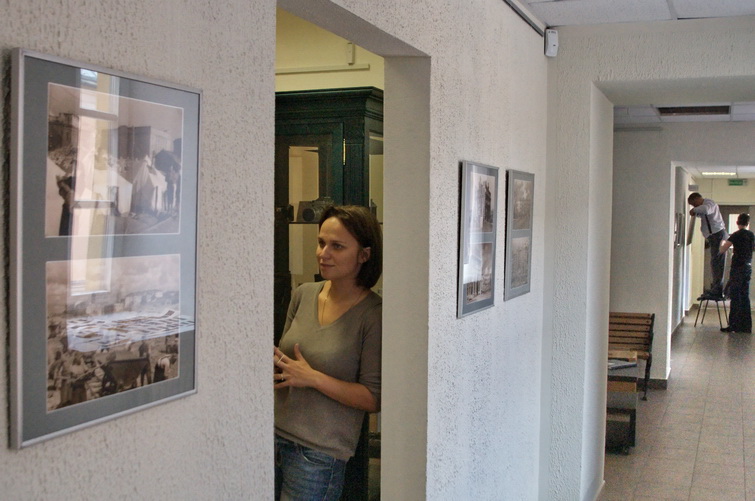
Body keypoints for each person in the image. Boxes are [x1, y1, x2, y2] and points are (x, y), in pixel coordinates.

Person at [273, 205, 382, 501]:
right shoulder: (303, 294)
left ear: (364, 255)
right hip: (272, 435)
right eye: (321, 243)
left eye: (337, 246)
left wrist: (313, 378)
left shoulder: (373, 314)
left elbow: (372, 398)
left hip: (317, 454)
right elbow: (287, 365)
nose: (323, 254)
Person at [688, 192, 728, 299]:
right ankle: (716, 288)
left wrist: (694, 210)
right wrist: (695, 213)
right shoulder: (704, 206)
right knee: (715, 262)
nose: (694, 206)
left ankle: (717, 290)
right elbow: (702, 214)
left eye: (694, 204)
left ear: (697, 199)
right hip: (714, 236)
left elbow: (705, 210)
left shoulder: (709, 203)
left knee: (718, 263)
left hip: (718, 235)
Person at [719, 213, 754, 333]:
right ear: (747, 223)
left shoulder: (735, 235)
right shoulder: (751, 235)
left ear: (737, 222)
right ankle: (746, 326)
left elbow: (723, 249)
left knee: (735, 297)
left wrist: (722, 242)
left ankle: (734, 325)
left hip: (737, 268)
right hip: (747, 267)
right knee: (745, 296)